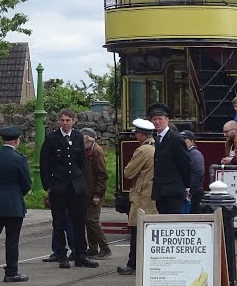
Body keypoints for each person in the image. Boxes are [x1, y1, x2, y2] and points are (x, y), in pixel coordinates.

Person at [40, 108, 98, 268]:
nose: (65, 123)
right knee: (59, 223)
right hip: (58, 187)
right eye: (62, 120)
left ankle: (80, 254)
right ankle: (61, 255)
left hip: (75, 187)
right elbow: (45, 164)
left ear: (74, 121)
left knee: (79, 221)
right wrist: (49, 186)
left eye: (68, 120)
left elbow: (82, 162)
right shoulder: (52, 139)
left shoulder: (78, 137)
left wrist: (84, 184)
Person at [0, 126, 33, 282]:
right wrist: (17, 194)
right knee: (12, 239)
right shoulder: (20, 159)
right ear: (17, 141)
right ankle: (11, 271)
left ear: (2, 140)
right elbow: (27, 183)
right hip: (13, 203)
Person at [117, 118, 158, 275]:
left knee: (137, 230)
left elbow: (128, 172)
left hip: (142, 196)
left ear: (141, 135)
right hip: (152, 194)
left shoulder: (143, 150)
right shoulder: (156, 146)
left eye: (136, 133)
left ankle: (133, 263)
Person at [145, 102, 191, 215]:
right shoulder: (157, 139)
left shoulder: (176, 139)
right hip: (160, 192)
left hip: (173, 192)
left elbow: (185, 164)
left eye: (160, 119)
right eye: (154, 119)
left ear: (167, 120)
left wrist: (187, 187)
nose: (157, 122)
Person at [81, 127, 112, 259]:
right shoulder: (86, 150)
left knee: (92, 220)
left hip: (94, 193)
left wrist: (98, 194)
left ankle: (105, 247)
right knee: (88, 221)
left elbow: (102, 175)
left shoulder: (96, 152)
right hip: (87, 192)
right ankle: (93, 248)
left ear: (87, 139)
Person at [180, 129, 206, 214]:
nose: (182, 141)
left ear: (192, 141)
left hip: (194, 194)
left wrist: (190, 190)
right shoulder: (186, 153)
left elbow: (198, 173)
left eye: (185, 139)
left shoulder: (195, 154)